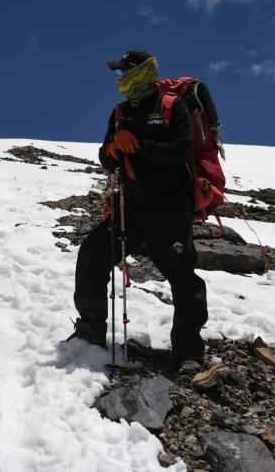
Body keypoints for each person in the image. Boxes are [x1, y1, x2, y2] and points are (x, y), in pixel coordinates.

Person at [69, 49, 208, 369]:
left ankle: (188, 351)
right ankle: (90, 331)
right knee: (92, 253)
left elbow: (180, 153)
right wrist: (114, 148)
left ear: (142, 73)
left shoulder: (173, 107)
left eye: (122, 73)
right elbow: (107, 159)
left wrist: (140, 145)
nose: (117, 79)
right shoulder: (120, 113)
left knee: (183, 278)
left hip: (170, 210)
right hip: (128, 210)